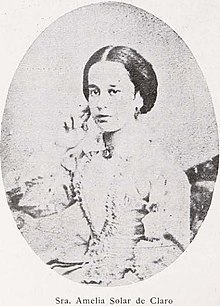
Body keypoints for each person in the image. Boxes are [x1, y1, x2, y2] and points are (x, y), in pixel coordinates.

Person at [53, 45, 190, 286]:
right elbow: (42, 205)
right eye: (94, 92)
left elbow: (166, 255)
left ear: (138, 97)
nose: (100, 104)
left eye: (113, 91)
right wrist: (64, 146)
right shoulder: (83, 159)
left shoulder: (160, 169)